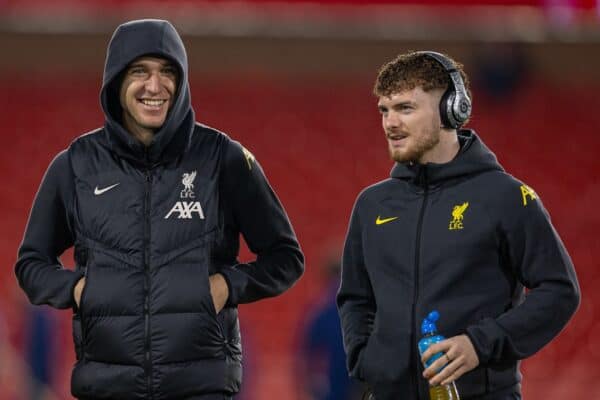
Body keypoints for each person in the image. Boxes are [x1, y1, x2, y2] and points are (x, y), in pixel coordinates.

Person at [15, 19, 304, 399]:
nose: (155, 86)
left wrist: (225, 286)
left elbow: (285, 258)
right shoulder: (75, 165)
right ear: (116, 82)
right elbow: (31, 263)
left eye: (168, 72)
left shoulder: (224, 159)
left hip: (202, 387)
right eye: (140, 72)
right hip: (107, 386)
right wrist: (80, 290)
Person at [336, 51, 580, 400]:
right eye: (384, 110)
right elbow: (356, 298)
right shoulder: (371, 204)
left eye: (405, 108)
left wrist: (478, 345)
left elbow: (559, 291)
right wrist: (365, 359)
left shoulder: (506, 196)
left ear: (452, 109)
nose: (390, 122)